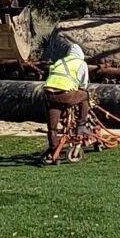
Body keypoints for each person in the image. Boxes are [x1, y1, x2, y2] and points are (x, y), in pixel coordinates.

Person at [40, 36, 91, 164]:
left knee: (52, 128)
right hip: (64, 95)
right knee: (85, 95)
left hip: (48, 95)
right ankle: (81, 125)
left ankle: (54, 151)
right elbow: (84, 85)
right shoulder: (81, 63)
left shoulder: (59, 62)